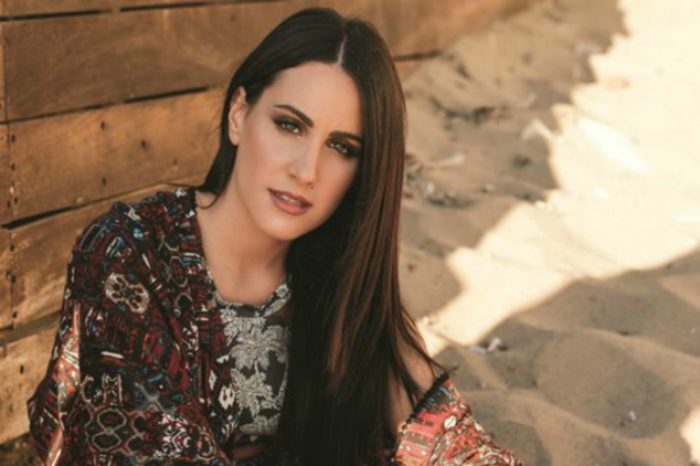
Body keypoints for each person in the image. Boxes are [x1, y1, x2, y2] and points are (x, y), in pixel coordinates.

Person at [26, 6, 522, 466]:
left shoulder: (339, 286)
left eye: (341, 148)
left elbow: (454, 440)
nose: (306, 170)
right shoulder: (128, 252)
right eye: (289, 125)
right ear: (239, 115)